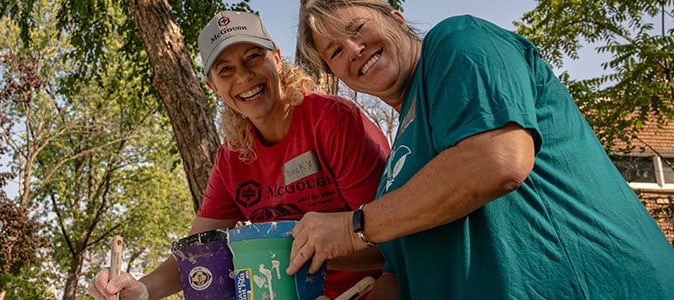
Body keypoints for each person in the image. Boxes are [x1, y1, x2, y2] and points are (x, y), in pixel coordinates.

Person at [287, 0, 674, 299]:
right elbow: (398, 275)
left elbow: (498, 160)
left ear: (396, 19)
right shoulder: (396, 169)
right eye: (334, 51)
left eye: (357, 28)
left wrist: (354, 225)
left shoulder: (458, 41)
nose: (353, 49)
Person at [88, 10, 390, 300]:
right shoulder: (232, 157)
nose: (244, 76)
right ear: (213, 87)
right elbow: (198, 255)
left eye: (253, 58)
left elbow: (390, 241)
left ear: (276, 57)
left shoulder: (332, 121)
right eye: (226, 70)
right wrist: (141, 291)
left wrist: (291, 251)